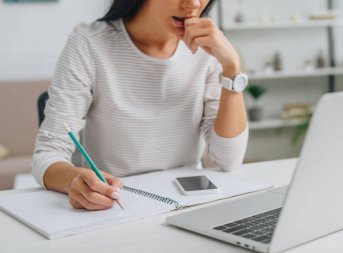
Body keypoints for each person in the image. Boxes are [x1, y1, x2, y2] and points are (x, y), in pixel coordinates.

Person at [32, 0, 249, 211]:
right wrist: (73, 180)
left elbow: (228, 160)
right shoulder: (89, 43)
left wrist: (231, 67)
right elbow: (48, 153)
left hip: (185, 203)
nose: (193, 4)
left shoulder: (207, 48)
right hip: (113, 206)